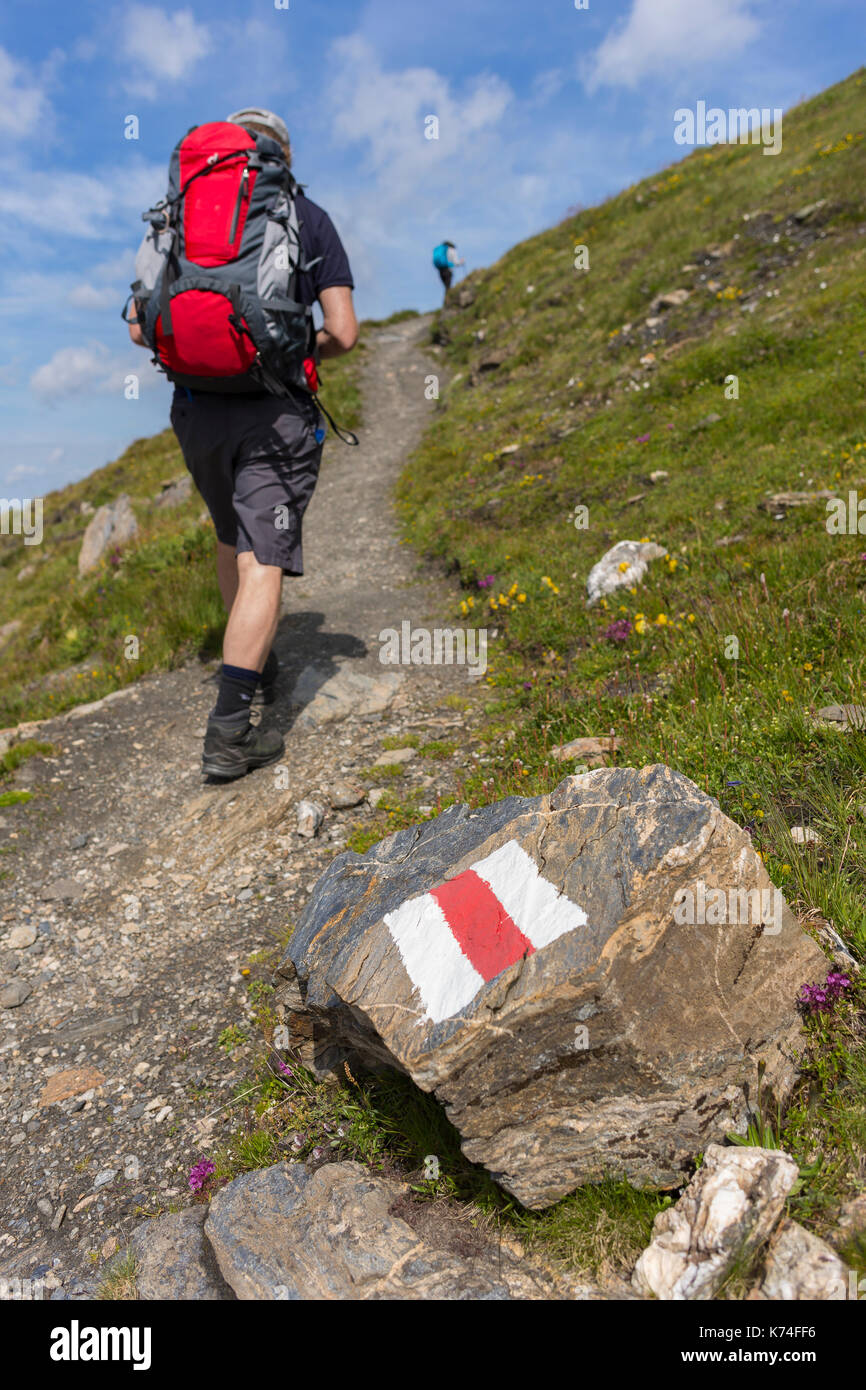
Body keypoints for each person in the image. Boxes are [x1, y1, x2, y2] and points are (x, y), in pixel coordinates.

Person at [127, 107, 358, 780]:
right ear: (280, 155)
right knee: (264, 560)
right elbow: (343, 332)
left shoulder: (180, 213)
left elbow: (141, 330)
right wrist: (286, 348)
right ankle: (230, 732)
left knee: (230, 538)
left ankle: (251, 665)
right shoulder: (302, 214)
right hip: (274, 415)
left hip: (197, 411)